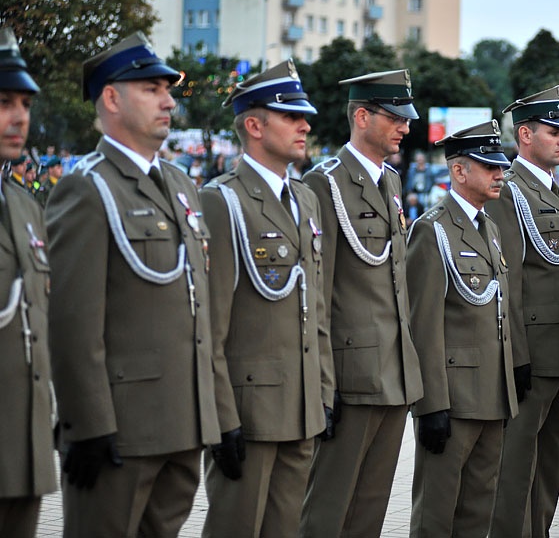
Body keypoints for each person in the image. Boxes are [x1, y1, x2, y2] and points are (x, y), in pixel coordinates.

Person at [45, 32, 221, 537]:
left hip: (183, 424)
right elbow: (73, 321)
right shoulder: (87, 187)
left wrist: (210, 413)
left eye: (167, 89)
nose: (168, 100)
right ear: (112, 98)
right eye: (151, 88)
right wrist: (88, 423)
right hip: (121, 430)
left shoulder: (182, 184)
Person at [199, 60, 335, 537]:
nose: (305, 125)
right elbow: (208, 326)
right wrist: (220, 417)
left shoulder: (305, 199)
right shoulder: (222, 201)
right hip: (248, 411)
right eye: (290, 116)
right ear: (254, 126)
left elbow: (312, 305)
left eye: (305, 116)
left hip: (301, 407)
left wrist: (323, 390)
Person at [300, 70, 423, 537]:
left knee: (368, 512)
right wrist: (322, 384)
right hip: (349, 375)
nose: (405, 127)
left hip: (392, 371)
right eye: (394, 117)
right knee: (327, 510)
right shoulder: (324, 183)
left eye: (406, 118)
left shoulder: (390, 182)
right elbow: (318, 289)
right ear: (361, 116)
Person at [406, 120, 518, 536]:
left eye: (500, 166)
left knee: (477, 513)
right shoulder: (432, 230)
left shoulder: (489, 229)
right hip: (453, 401)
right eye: (489, 166)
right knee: (436, 515)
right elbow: (424, 324)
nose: (499, 174)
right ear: (458, 171)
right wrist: (431, 405)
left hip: (491, 396)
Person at [485, 85, 559, 537]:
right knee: (516, 469)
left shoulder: (553, 191)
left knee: (550, 465)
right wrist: (517, 355)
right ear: (525, 135)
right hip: (533, 356)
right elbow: (510, 281)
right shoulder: (510, 190)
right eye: (553, 131)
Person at [0, 27, 56, 538]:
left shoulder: (23, 206)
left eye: (24, 103)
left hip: (24, 447)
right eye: (3, 102)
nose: (19, 117)